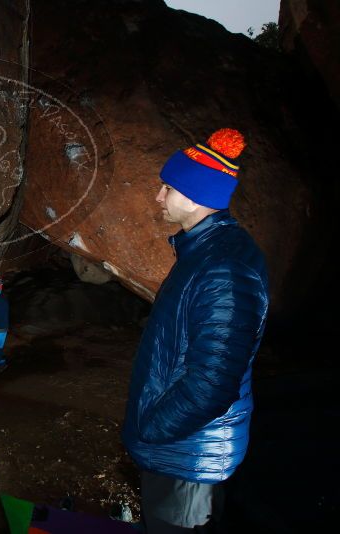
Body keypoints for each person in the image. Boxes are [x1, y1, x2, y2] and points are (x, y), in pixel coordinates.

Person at [121, 128, 269, 533]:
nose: (158, 196)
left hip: (187, 458)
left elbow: (213, 383)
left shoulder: (225, 269)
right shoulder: (205, 251)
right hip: (180, 451)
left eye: (165, 188)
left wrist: (151, 427)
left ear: (191, 196)